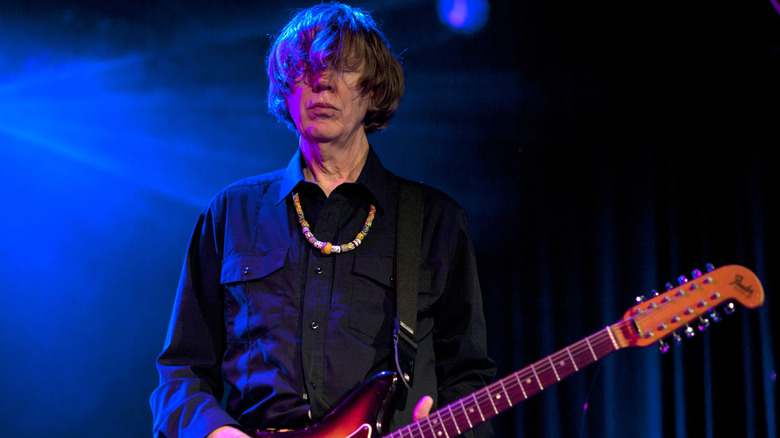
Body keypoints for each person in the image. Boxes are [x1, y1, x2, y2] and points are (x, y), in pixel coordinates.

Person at [150, 3, 495, 437]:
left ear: (372, 90)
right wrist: (215, 431)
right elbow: (181, 373)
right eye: (305, 68)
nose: (323, 82)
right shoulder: (231, 213)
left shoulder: (434, 221)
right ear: (283, 88)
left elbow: (468, 377)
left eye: (344, 68)